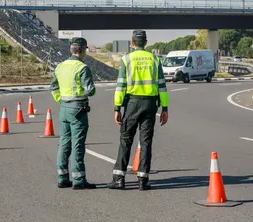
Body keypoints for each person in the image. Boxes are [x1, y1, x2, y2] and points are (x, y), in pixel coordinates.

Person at [107, 30, 169, 191]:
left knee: (125, 140)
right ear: (145, 42)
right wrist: (165, 108)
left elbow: (121, 85)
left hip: (131, 103)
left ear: (132, 43)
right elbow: (162, 85)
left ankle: (119, 179)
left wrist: (117, 107)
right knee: (146, 142)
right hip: (150, 104)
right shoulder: (155, 59)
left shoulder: (127, 59)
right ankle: (143, 180)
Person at [50, 37, 97, 190]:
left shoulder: (60, 67)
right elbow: (90, 91)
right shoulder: (82, 68)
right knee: (78, 145)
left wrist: (61, 101)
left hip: (64, 108)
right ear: (83, 50)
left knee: (64, 143)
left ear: (71, 49)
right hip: (78, 110)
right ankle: (78, 180)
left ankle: (62, 178)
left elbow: (54, 88)